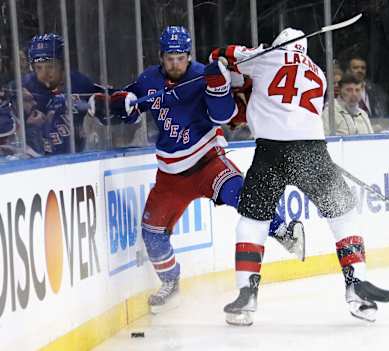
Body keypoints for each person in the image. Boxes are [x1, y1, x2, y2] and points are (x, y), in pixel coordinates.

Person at [88, 26, 305, 313]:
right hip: (170, 175)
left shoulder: (203, 74)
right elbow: (124, 110)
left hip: (207, 161)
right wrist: (114, 104)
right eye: (169, 58)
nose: (175, 63)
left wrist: (218, 86)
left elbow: (225, 115)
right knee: (152, 233)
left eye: (180, 58)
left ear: (189, 56)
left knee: (242, 195)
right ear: (161, 57)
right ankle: (171, 282)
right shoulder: (148, 80)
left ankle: (285, 232)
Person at [213, 28, 378, 326]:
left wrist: (248, 54)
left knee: (253, 222)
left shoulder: (264, 58)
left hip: (270, 152)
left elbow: (220, 54)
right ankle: (358, 289)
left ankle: (246, 297)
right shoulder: (319, 72)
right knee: (343, 217)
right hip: (311, 151)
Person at [22, 33, 107, 155]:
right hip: (37, 160)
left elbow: (106, 112)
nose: (44, 74)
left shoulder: (79, 82)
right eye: (38, 68)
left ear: (63, 65)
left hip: (76, 156)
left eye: (50, 66)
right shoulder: (25, 87)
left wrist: (107, 105)